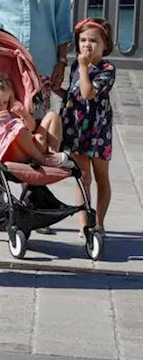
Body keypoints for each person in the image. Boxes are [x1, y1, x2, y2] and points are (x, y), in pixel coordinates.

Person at [61, 18, 115, 233]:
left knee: (101, 176)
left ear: (104, 45)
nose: (87, 45)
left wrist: (84, 68)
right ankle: (84, 226)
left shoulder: (107, 69)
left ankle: (100, 222)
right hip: (76, 128)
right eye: (82, 40)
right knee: (83, 177)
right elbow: (75, 94)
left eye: (93, 40)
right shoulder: (77, 65)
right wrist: (58, 91)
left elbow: (88, 93)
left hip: (97, 130)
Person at [0, 72, 71, 169]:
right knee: (17, 129)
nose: (2, 106)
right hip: (11, 154)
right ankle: (43, 159)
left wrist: (25, 115)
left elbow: (31, 128)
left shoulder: (9, 114)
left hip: (29, 150)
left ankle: (52, 154)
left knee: (53, 116)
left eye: (5, 102)